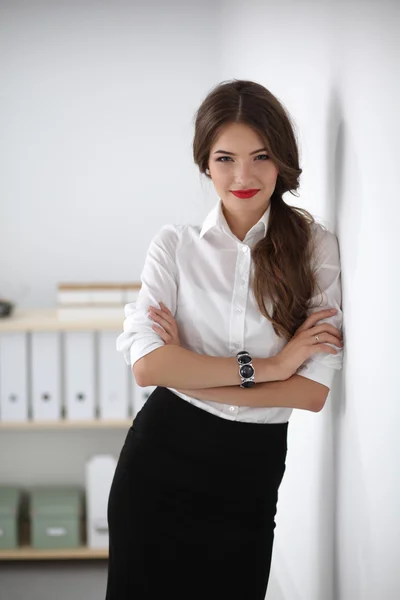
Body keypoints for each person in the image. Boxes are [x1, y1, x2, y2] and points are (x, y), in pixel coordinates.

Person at [105, 79, 344, 600]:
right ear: (204, 164)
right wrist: (274, 367)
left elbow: (313, 393)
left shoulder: (313, 249)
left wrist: (187, 370)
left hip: (250, 474)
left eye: (260, 156)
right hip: (160, 463)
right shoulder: (174, 247)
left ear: (282, 159)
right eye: (224, 158)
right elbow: (147, 368)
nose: (243, 176)